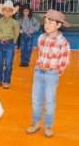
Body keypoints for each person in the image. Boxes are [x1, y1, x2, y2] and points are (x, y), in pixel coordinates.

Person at [26, 10, 71, 138]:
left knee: (50, 101)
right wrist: (40, 67)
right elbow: (40, 54)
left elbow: (64, 61)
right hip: (38, 72)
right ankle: (35, 123)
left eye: (50, 22)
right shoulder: (41, 38)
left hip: (51, 74)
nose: (46, 25)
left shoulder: (63, 42)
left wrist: (55, 72)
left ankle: (48, 125)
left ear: (58, 25)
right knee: (36, 100)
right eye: (45, 22)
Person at [0, 0, 20, 89]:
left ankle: (6, 81)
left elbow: (16, 33)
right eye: (5, 10)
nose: (7, 12)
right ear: (2, 11)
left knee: (8, 64)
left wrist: (13, 41)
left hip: (10, 45)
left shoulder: (15, 23)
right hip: (0, 44)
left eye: (10, 10)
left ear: (12, 12)